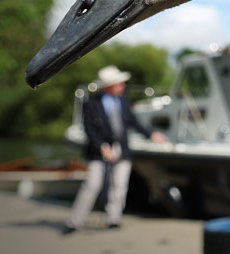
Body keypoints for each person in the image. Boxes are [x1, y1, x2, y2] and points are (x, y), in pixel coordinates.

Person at [63, 65, 166, 234]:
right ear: (108, 85)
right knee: (93, 184)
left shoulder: (124, 101)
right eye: (119, 83)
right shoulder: (91, 104)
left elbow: (133, 121)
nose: (123, 86)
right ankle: (74, 221)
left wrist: (152, 135)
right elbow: (89, 129)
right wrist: (102, 147)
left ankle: (113, 218)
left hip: (121, 148)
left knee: (119, 184)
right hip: (99, 150)